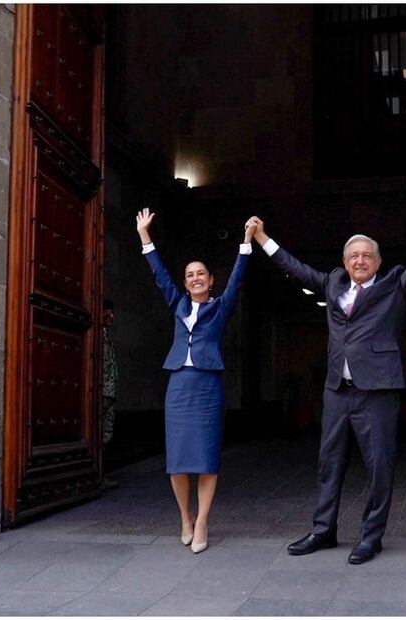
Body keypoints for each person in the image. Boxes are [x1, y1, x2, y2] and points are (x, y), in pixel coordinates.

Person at [249, 176, 406, 564]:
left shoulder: (395, 284)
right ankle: (323, 531)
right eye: (353, 255)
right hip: (337, 390)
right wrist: (262, 240)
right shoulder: (332, 284)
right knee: (329, 463)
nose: (359, 260)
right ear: (344, 262)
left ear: (378, 262)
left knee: (378, 467)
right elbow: (295, 268)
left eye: (367, 256)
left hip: (377, 390)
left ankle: (370, 537)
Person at [135, 207, 254, 554]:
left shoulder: (221, 306)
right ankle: (185, 518)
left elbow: (237, 279)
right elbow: (159, 276)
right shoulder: (177, 304)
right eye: (190, 275)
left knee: (206, 458)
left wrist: (246, 243)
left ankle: (202, 520)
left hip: (207, 389)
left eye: (201, 273)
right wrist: (146, 236)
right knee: (177, 460)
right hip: (179, 386)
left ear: (210, 280)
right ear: (185, 283)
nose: (196, 278)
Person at [101, 299, 119, 490]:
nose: (112, 317)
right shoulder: (94, 336)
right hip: (101, 394)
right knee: (98, 434)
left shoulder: (105, 336)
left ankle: (100, 475)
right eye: (108, 312)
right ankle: (96, 477)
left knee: (105, 434)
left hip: (109, 393)